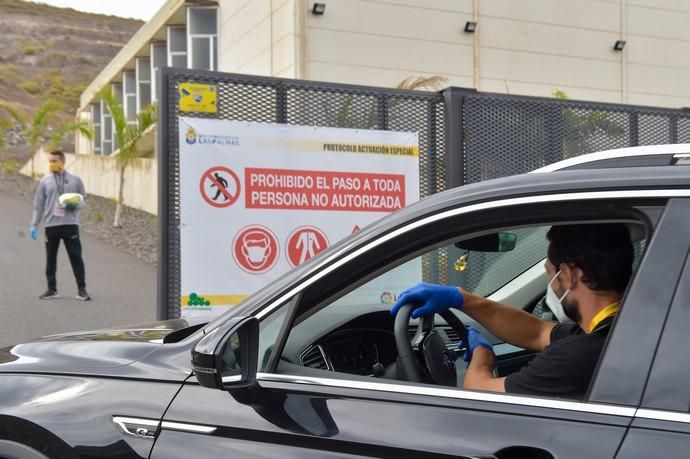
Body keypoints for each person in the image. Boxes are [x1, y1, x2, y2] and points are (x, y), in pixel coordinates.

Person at [390, 223, 633, 399]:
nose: (553, 286)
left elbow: (478, 389)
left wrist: (483, 355)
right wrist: (461, 298)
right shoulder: (619, 331)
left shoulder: (579, 356)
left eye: (552, 274)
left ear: (568, 275)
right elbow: (537, 332)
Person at [29, 150, 91, 301]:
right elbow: (39, 205)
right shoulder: (45, 181)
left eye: (54, 161)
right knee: (51, 259)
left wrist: (73, 205)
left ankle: (82, 290)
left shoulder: (75, 180)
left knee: (76, 257)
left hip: (70, 224)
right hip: (51, 225)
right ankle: (52, 289)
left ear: (62, 162)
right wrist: (34, 225)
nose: (51, 164)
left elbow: (84, 200)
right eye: (50, 161)